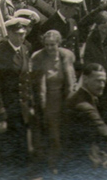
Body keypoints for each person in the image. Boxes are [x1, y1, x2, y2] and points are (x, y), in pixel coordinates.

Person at [0, 18, 33, 179]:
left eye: (24, 33)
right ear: (10, 33)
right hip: (7, 110)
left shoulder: (24, 49)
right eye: (19, 34)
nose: (22, 37)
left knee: (22, 147)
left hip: (22, 108)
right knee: (7, 151)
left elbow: (26, 79)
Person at [30, 30, 76, 172]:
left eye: (52, 45)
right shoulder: (38, 57)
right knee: (53, 134)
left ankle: (66, 163)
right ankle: (53, 165)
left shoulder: (66, 56)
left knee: (66, 132)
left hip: (64, 100)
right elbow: (35, 83)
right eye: (47, 45)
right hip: (48, 101)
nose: (49, 48)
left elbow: (71, 81)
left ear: (58, 44)